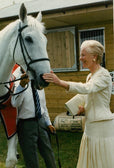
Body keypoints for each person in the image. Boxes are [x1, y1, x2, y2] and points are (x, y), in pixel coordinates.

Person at [43, 40, 114, 168]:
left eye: (83, 55)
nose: (80, 58)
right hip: (90, 126)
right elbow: (90, 96)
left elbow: (87, 89)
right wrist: (84, 108)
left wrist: (60, 82)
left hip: (102, 126)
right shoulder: (90, 76)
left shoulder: (104, 75)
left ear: (94, 57)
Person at [11, 66, 57, 168]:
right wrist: (21, 87)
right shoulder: (16, 81)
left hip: (41, 123)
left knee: (49, 154)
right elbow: (15, 103)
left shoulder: (38, 80)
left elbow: (43, 105)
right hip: (26, 125)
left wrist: (48, 123)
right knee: (31, 158)